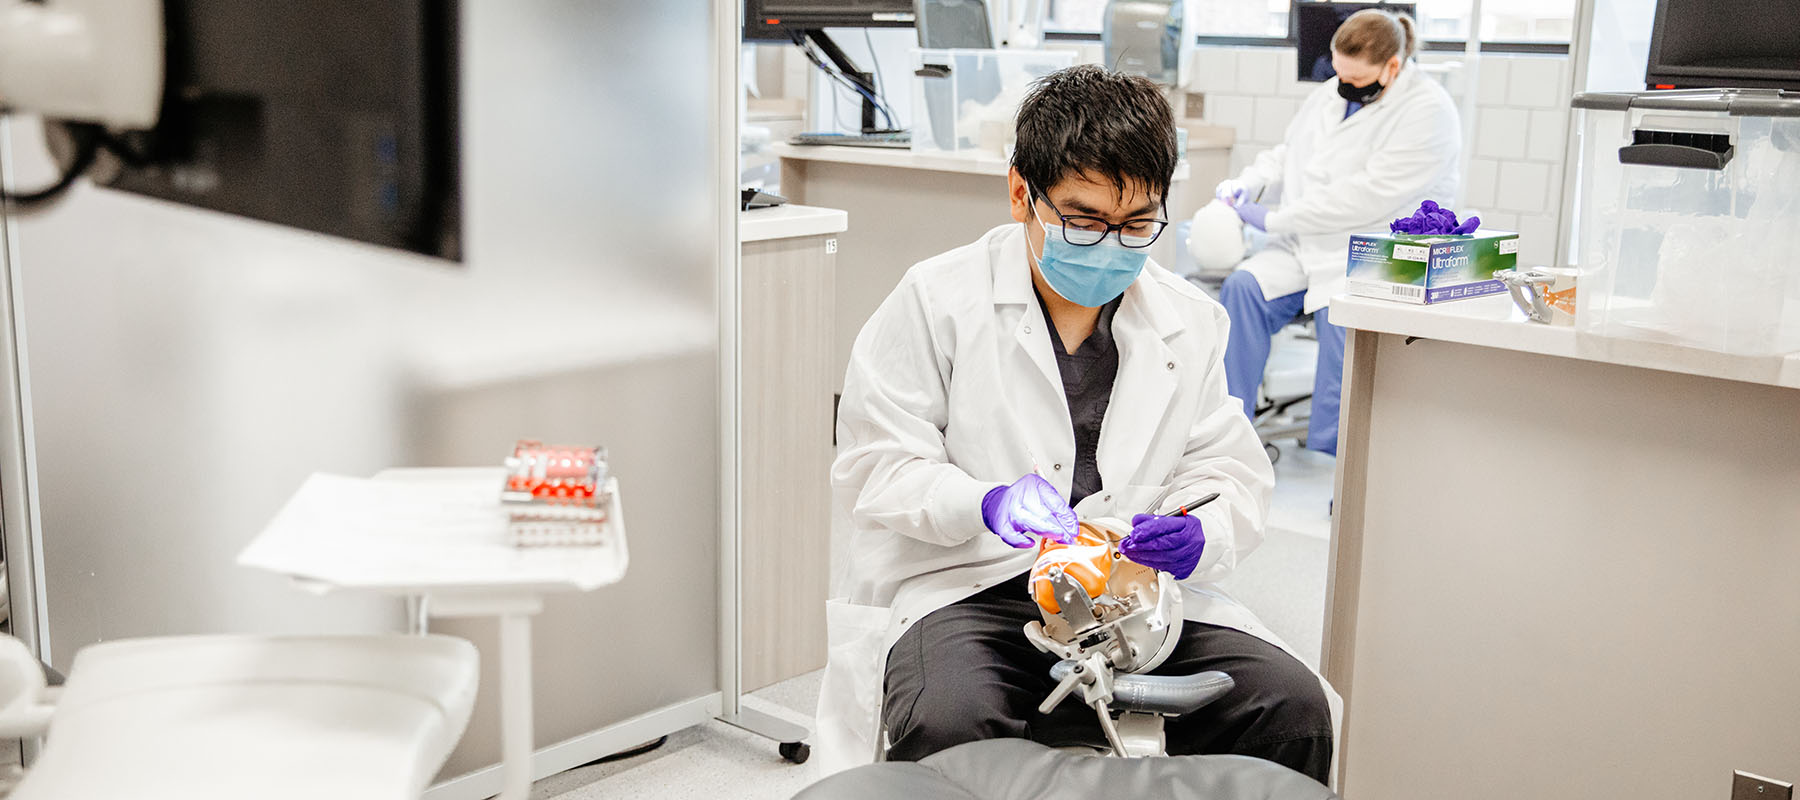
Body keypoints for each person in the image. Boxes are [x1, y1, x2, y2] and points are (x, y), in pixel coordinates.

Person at [816, 65, 1337, 783]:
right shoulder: (937, 302)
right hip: (974, 586)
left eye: (1136, 224)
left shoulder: (1190, 321)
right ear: (1020, 193)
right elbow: (876, 463)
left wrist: (1200, 529)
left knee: (1290, 709)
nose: (1111, 245)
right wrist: (985, 502)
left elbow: (1226, 470)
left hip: (1127, 593)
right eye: (1084, 220)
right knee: (952, 726)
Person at [1214, 9, 1461, 455]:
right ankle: (1229, 439)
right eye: (1338, 73)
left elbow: (1364, 196)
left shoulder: (1428, 111)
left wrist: (1273, 219)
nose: (1343, 86)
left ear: (1393, 67)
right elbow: (1289, 153)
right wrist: (1248, 182)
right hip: (1306, 244)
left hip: (1372, 252)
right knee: (1242, 290)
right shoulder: (1330, 93)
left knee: (1340, 318)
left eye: (1356, 80)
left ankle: (1340, 463)